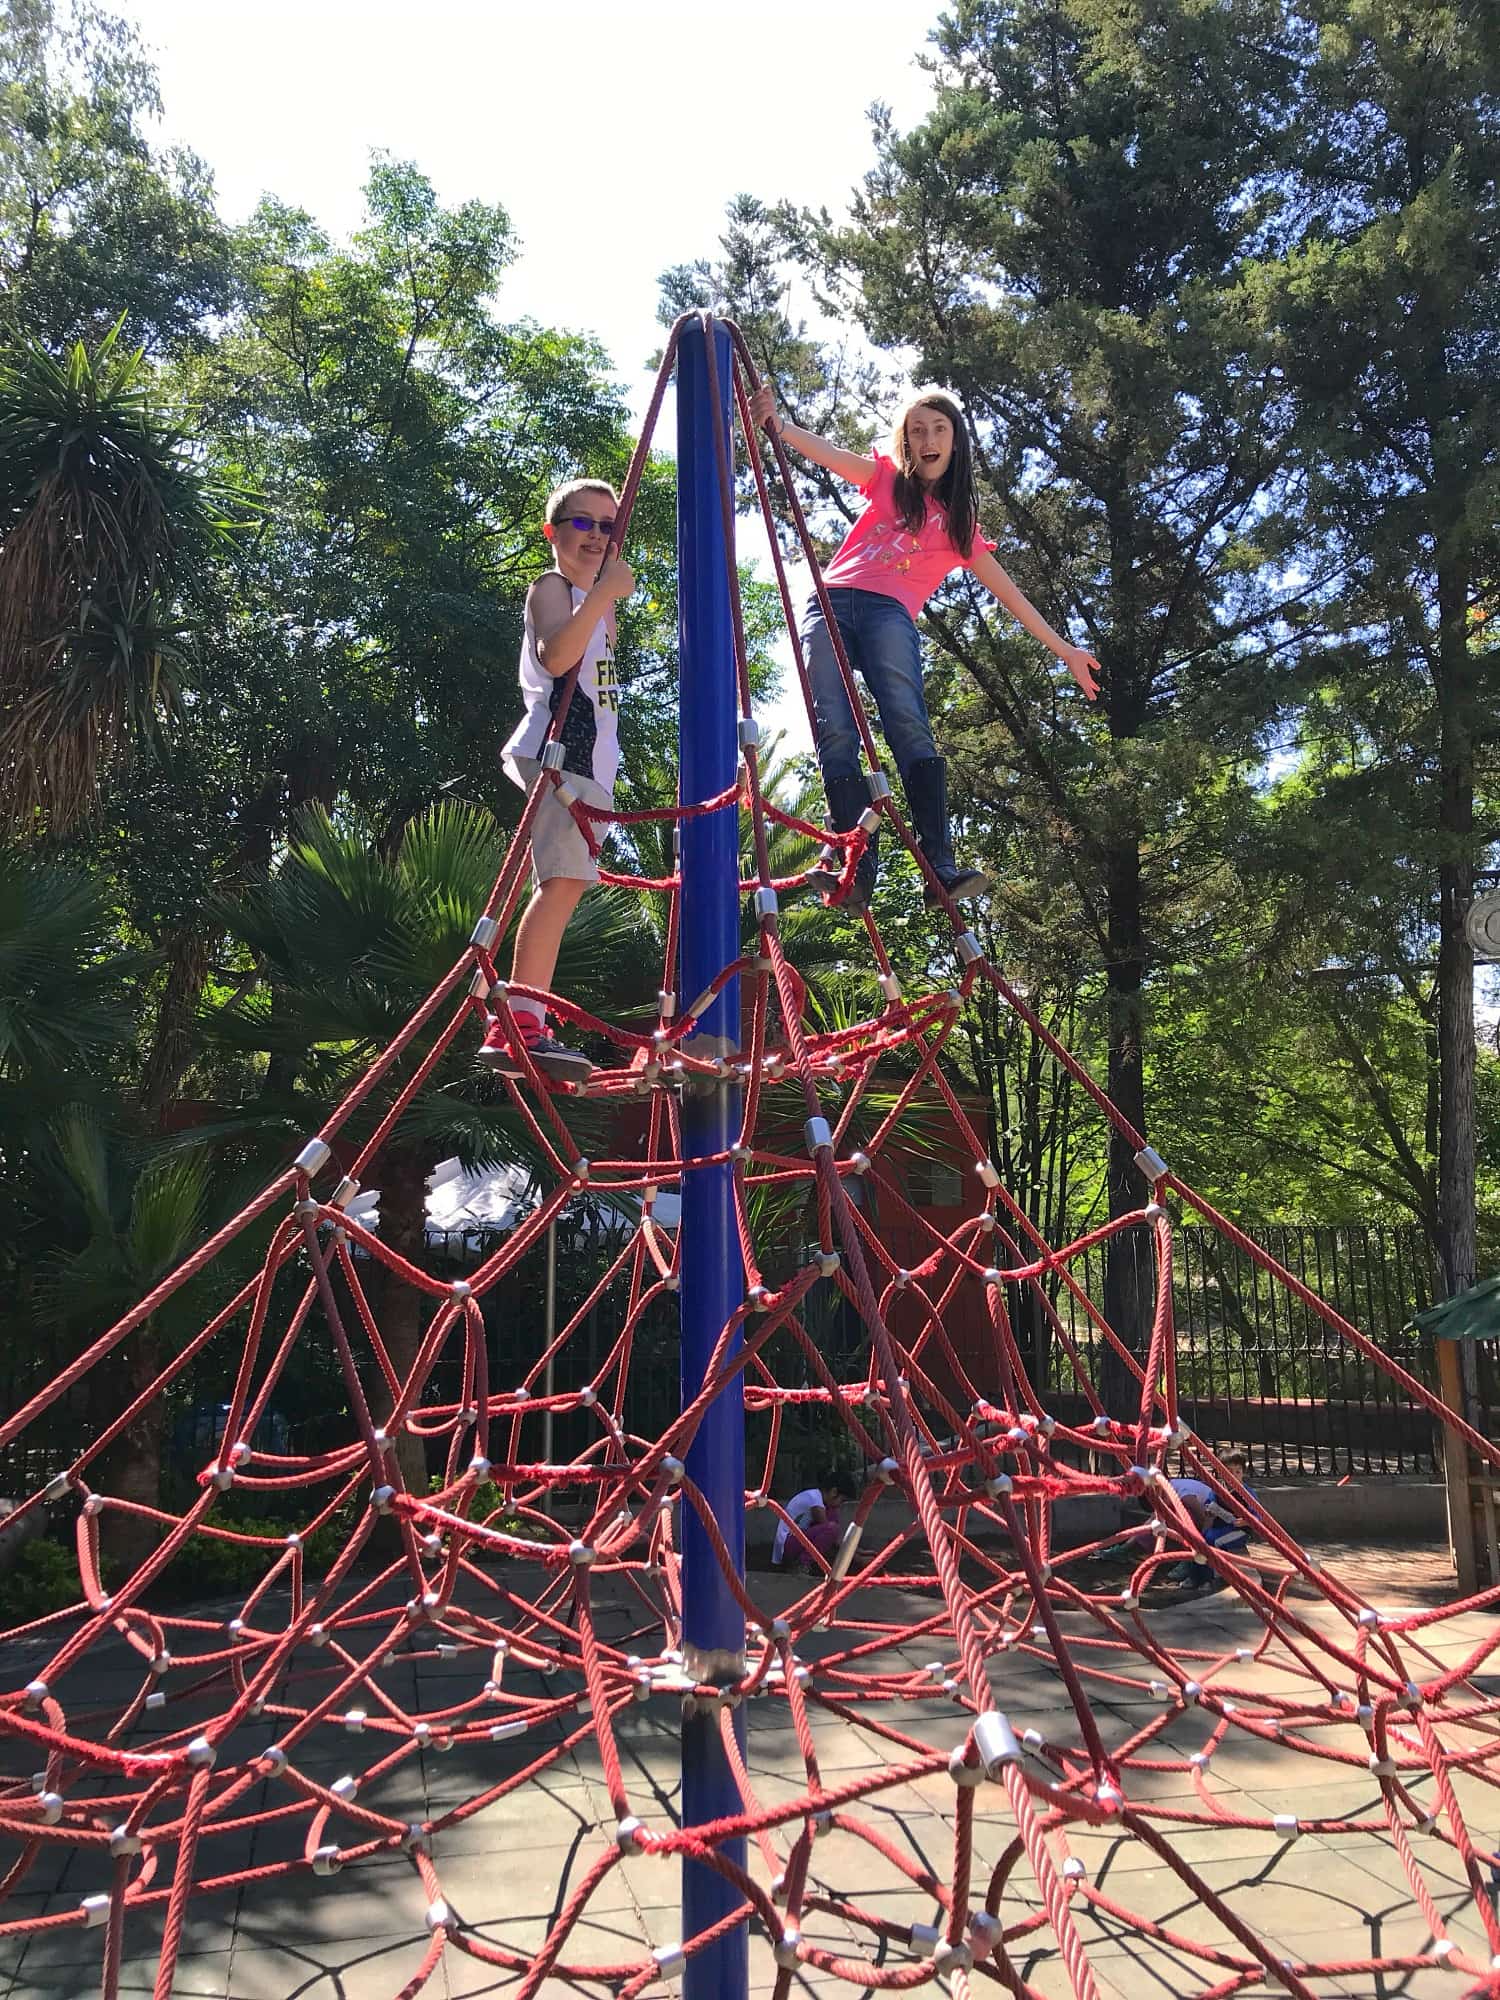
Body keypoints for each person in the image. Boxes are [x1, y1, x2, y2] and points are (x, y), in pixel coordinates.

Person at [749, 383, 1101, 912]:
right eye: (917, 431)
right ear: (906, 443)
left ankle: (938, 861)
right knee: (835, 727)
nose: (928, 439)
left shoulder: (960, 528)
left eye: (939, 429)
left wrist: (1064, 649)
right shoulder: (889, 483)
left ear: (956, 441)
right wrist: (779, 426)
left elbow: (1011, 596)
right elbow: (830, 455)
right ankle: (852, 862)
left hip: (889, 613)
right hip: (832, 603)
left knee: (907, 722)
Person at [481, 479, 633, 1085]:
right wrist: (600, 597)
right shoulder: (552, 587)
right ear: (554, 533)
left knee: (568, 885)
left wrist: (604, 600)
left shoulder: (600, 600)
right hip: (556, 751)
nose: (596, 535)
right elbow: (555, 657)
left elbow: (604, 689)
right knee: (563, 880)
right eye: (582, 523)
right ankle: (519, 1020)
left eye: (607, 526)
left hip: (590, 762)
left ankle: (528, 1014)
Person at [770, 1474, 852, 1573]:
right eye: (842, 1500)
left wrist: (857, 1551)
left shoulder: (820, 1501)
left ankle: (819, 1564)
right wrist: (858, 1556)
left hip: (797, 1540)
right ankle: (801, 1564)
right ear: (834, 1492)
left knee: (832, 1520)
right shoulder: (815, 1501)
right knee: (832, 1529)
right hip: (788, 1544)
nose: (840, 1505)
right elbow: (835, 1537)